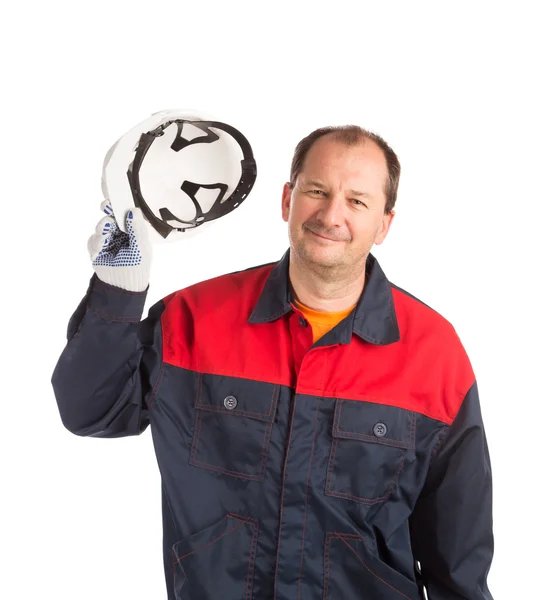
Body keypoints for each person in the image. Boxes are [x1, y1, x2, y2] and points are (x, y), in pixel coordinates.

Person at [51, 125, 495, 600]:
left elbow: (457, 560)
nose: (331, 214)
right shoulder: (193, 321)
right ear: (287, 199)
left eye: (357, 201)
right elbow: (90, 409)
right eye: (317, 191)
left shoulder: (432, 353)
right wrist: (118, 289)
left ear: (384, 224)